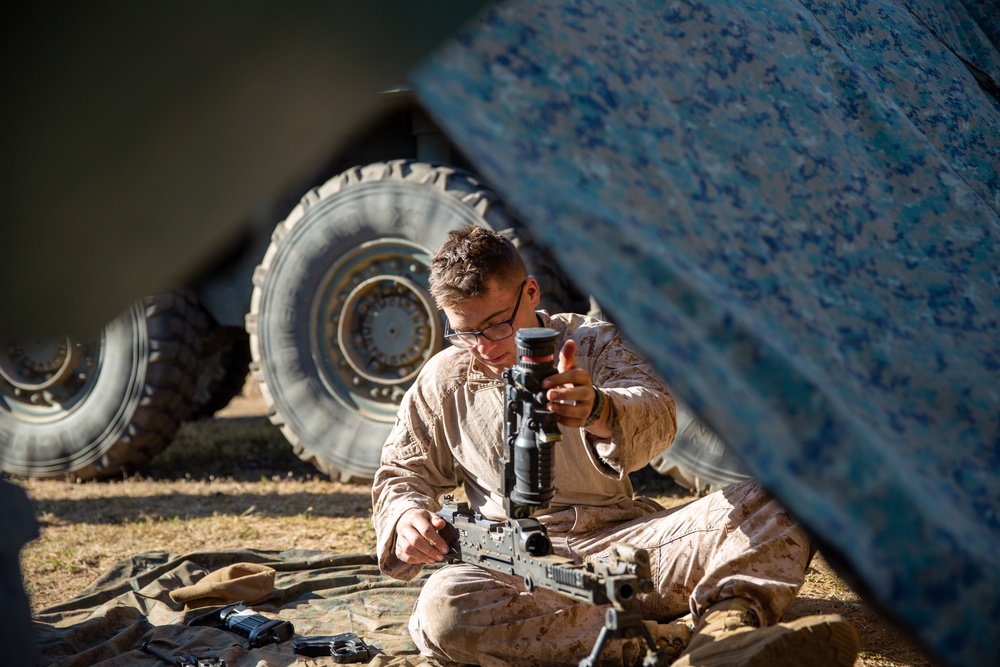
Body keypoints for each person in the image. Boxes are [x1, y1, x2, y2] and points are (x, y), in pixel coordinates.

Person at [371, 225, 859, 667]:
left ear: (531, 292)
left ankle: (727, 627)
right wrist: (406, 517)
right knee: (443, 612)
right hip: (514, 573)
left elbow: (657, 413)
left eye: (498, 324)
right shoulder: (444, 378)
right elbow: (400, 471)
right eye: (465, 332)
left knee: (788, 497)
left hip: (627, 550)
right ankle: (673, 644)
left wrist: (600, 410)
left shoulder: (594, 343)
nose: (486, 346)